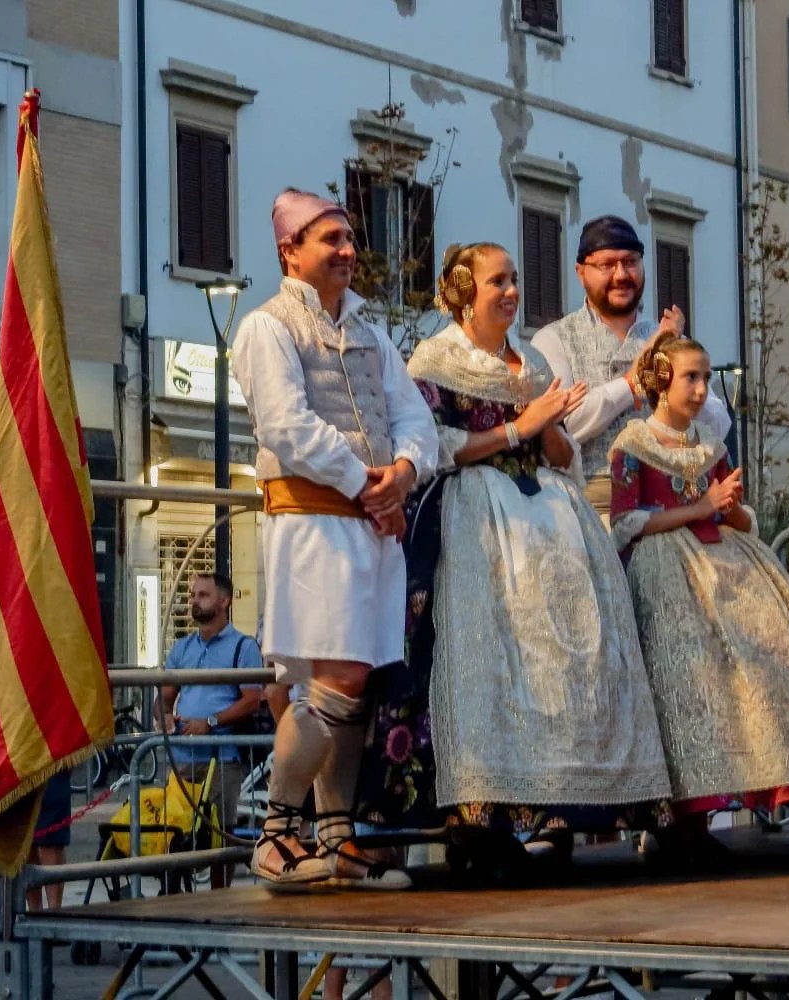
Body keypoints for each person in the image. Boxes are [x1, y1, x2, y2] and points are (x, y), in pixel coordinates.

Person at [360, 242, 673, 839]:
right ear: (463, 291)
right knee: (482, 658)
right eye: (497, 281)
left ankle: (552, 806)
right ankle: (477, 816)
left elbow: (559, 454)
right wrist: (517, 427)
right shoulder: (435, 358)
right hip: (470, 517)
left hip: (545, 516)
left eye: (514, 280)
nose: (510, 292)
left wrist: (548, 424)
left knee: (561, 657)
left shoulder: (529, 360)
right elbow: (436, 447)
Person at [230, 188, 439, 888]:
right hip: (313, 523)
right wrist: (367, 485)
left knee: (357, 681)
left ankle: (337, 838)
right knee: (333, 678)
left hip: (370, 527)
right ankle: (274, 836)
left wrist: (401, 474)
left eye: (349, 239)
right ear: (289, 251)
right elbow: (284, 426)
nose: (348, 251)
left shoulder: (372, 334)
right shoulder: (267, 326)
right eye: (331, 239)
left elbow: (415, 420)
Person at [609, 334, 789, 818]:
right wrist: (699, 507)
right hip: (666, 572)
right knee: (690, 682)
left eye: (706, 378)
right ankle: (680, 817)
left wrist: (729, 509)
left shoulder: (711, 445)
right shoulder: (634, 444)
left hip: (728, 563)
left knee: (764, 663)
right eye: (691, 377)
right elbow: (625, 523)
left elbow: (743, 519)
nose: (702, 389)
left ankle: (766, 777)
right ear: (662, 380)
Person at [531, 215, 731, 516]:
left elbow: (718, 426)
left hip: (671, 506)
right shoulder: (553, 340)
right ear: (581, 272)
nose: (621, 274)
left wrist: (681, 383)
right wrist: (632, 382)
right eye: (607, 265)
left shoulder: (669, 338)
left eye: (630, 262)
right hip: (588, 510)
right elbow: (566, 426)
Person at [153, 572, 262, 887]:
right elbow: (164, 697)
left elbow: (252, 700)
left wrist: (210, 722)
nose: (194, 601)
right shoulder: (182, 648)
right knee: (175, 830)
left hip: (222, 757)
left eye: (203, 595)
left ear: (224, 601)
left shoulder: (243, 647)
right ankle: (175, 896)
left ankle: (219, 898)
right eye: (193, 595)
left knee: (219, 834)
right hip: (183, 756)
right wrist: (165, 717)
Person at [23, 771, 72, 912]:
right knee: (26, 839)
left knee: (51, 840)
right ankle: (35, 912)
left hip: (52, 768)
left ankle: (54, 912)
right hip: (21, 768)